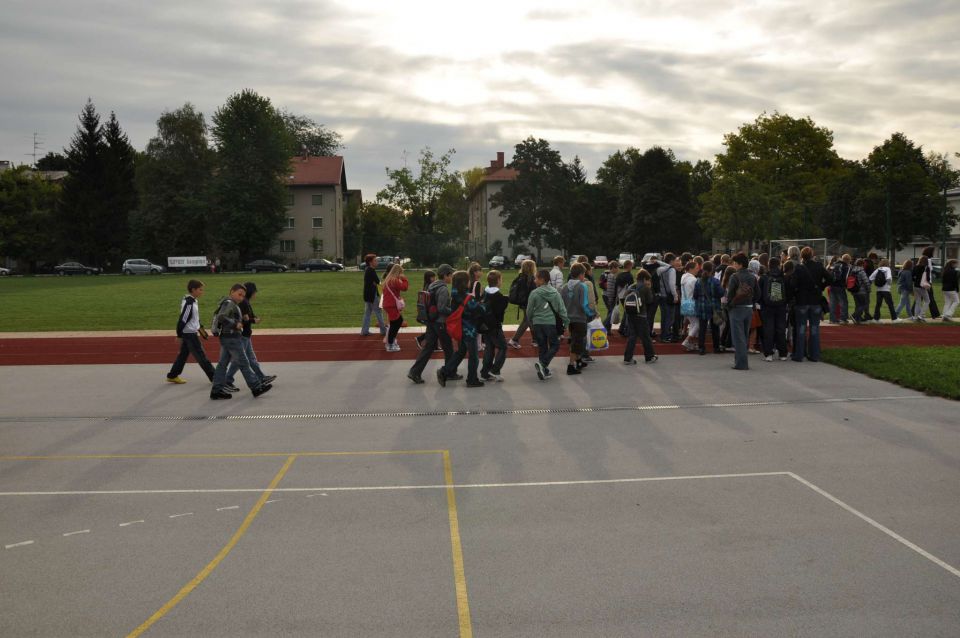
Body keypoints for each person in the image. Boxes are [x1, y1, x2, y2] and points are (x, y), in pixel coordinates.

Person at [210, 284, 272, 399]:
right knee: (243, 363)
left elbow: (224, 317)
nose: (241, 298)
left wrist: (240, 319)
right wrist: (235, 324)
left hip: (227, 337)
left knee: (222, 364)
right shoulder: (229, 303)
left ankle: (216, 390)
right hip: (232, 338)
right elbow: (222, 317)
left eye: (243, 296)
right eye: (239, 294)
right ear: (231, 291)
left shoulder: (230, 303)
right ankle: (256, 387)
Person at [224, 282, 276, 391]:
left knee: (250, 358)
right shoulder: (244, 303)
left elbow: (247, 317)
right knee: (239, 360)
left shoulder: (245, 302)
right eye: (255, 292)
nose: (256, 294)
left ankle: (261, 377)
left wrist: (252, 318)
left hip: (246, 334)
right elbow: (243, 319)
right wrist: (253, 320)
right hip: (242, 335)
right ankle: (227, 380)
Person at [408, 264, 455, 384]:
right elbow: (442, 308)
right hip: (440, 322)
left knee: (428, 348)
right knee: (448, 348)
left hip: (431, 321)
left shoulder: (432, 286)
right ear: (445, 275)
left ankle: (415, 372)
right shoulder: (443, 289)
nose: (452, 277)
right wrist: (453, 311)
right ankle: (449, 373)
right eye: (450, 275)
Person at [438, 270, 485, 388]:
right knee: (473, 355)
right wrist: (483, 301)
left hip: (460, 329)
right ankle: (472, 379)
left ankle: (445, 371)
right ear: (465, 283)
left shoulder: (454, 296)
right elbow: (480, 310)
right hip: (469, 330)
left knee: (461, 352)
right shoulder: (468, 298)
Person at [166, 279, 216, 384]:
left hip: (189, 333)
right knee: (202, 357)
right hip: (189, 335)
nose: (202, 292)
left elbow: (194, 319)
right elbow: (183, 319)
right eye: (200, 290)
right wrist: (179, 335)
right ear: (193, 290)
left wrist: (201, 330)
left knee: (183, 355)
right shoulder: (189, 303)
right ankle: (215, 378)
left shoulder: (193, 300)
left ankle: (172, 375)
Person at [527, 268, 569, 380]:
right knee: (555, 345)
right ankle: (543, 366)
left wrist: (530, 320)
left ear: (541, 280)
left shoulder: (534, 293)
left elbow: (529, 310)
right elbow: (562, 309)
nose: (534, 280)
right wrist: (566, 323)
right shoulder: (555, 293)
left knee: (542, 346)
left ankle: (543, 368)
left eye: (536, 278)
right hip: (550, 323)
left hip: (537, 323)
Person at [791, 246, 832, 362]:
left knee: (801, 329)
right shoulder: (819, 266)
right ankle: (814, 355)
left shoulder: (799, 268)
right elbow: (830, 278)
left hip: (802, 301)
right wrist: (821, 287)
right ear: (812, 255)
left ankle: (799, 355)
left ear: (802, 256)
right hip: (815, 301)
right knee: (814, 329)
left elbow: (793, 284)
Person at [725, 253, 756, 371]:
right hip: (748, 308)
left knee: (738, 337)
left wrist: (729, 305)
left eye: (734, 263)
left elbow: (730, 294)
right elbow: (757, 293)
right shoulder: (752, 276)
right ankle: (741, 361)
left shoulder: (734, 276)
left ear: (740, 264)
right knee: (744, 335)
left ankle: (741, 363)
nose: (733, 265)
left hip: (736, 309)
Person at [561, 263, 592, 375]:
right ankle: (571, 366)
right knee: (577, 343)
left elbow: (562, 304)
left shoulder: (564, 287)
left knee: (574, 340)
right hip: (579, 318)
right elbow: (583, 304)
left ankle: (579, 361)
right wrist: (590, 313)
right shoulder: (582, 286)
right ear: (581, 275)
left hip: (569, 319)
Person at [622, 269, 657, 364]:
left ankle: (627, 358)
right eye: (648, 280)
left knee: (632, 336)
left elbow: (623, 298)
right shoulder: (645, 288)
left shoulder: (631, 286)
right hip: (641, 315)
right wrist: (649, 288)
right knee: (645, 336)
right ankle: (649, 357)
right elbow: (650, 300)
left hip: (630, 314)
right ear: (645, 279)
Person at [480, 270, 509, 381]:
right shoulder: (498, 296)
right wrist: (505, 300)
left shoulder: (485, 293)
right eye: (501, 279)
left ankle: (485, 372)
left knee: (489, 348)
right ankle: (495, 370)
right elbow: (499, 312)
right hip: (495, 326)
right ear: (498, 281)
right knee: (503, 347)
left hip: (485, 326)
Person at [759, 257, 788, 361]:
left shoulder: (764, 277)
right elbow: (788, 292)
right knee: (780, 329)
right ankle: (783, 353)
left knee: (768, 329)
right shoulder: (783, 277)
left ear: (768, 265)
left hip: (767, 307)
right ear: (779, 264)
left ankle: (769, 354)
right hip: (781, 306)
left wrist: (762, 303)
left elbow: (759, 293)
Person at [693, 262, 723, 355]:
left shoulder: (698, 281)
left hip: (702, 307)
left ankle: (701, 348)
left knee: (702, 328)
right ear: (712, 270)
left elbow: (695, 295)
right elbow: (721, 293)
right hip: (714, 307)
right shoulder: (715, 281)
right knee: (715, 328)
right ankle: (716, 347)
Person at [508, 259, 537, 348]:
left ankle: (535, 340)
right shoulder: (530, 279)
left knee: (530, 320)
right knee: (527, 321)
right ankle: (514, 339)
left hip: (523, 303)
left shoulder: (520, 277)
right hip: (529, 303)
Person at [381, 264, 409, 352]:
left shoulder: (388, 280)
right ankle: (390, 344)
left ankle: (391, 341)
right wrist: (404, 279)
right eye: (401, 272)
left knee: (398, 321)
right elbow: (405, 288)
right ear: (398, 272)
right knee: (394, 324)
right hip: (391, 305)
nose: (402, 274)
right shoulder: (394, 280)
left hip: (388, 304)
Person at [360, 254, 386, 337]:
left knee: (367, 313)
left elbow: (376, 283)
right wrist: (377, 283)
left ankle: (364, 331)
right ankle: (384, 331)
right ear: (370, 262)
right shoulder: (371, 270)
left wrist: (375, 283)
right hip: (372, 295)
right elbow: (378, 282)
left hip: (367, 295)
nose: (377, 262)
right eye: (375, 260)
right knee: (378, 312)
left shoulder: (367, 269)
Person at [657, 254, 680, 342]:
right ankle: (666, 336)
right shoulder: (671, 270)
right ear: (671, 261)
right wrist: (675, 296)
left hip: (661, 295)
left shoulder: (660, 269)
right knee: (670, 318)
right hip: (669, 296)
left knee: (664, 317)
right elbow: (671, 284)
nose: (676, 262)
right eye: (675, 260)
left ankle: (663, 334)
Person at [679, 261, 699, 351]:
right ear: (691, 269)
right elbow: (696, 293)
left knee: (693, 324)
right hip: (692, 303)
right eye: (696, 268)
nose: (698, 269)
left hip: (684, 303)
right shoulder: (693, 280)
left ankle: (690, 344)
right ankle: (688, 340)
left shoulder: (684, 277)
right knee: (697, 324)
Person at [416, 270, 438, 350]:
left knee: (432, 329)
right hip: (430, 311)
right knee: (434, 329)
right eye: (432, 277)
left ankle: (433, 345)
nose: (434, 278)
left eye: (434, 276)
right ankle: (421, 339)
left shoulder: (427, 285)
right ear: (428, 278)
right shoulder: (430, 286)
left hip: (428, 310)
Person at [614, 259, 636, 337]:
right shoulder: (629, 275)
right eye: (631, 266)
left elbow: (616, 287)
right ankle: (626, 330)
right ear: (629, 266)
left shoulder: (619, 275)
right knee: (629, 314)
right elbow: (632, 287)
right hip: (627, 296)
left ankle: (622, 328)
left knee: (626, 312)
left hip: (620, 296)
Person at [828, 255, 851, 324]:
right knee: (843, 302)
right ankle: (843, 319)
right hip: (840, 286)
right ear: (847, 260)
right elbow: (846, 277)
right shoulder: (845, 266)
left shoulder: (834, 265)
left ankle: (832, 319)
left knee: (833, 303)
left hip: (832, 286)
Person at [921, 246, 941, 318]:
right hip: (927, 281)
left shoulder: (923, 259)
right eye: (933, 251)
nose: (934, 253)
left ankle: (914, 312)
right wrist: (928, 282)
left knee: (921, 298)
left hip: (923, 281)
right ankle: (935, 314)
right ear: (930, 252)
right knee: (930, 298)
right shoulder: (928, 260)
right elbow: (928, 272)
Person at [601, 260, 620, 332]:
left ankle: (607, 329)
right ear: (613, 268)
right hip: (609, 296)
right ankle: (603, 325)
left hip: (605, 294)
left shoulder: (605, 273)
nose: (618, 269)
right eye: (617, 267)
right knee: (611, 312)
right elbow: (611, 289)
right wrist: (611, 299)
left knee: (610, 312)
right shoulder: (612, 276)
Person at [850, 259, 871, 324]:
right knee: (864, 304)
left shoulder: (852, 271)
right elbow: (866, 281)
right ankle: (854, 315)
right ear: (862, 264)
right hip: (861, 291)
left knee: (858, 305)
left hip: (854, 290)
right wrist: (869, 289)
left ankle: (857, 319)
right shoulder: (861, 271)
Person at [913, 256, 932, 321]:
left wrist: (916, 280)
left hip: (915, 286)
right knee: (927, 300)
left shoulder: (915, 267)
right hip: (922, 286)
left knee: (918, 302)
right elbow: (928, 278)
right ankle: (921, 315)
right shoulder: (926, 268)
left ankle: (916, 316)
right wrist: (928, 285)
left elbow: (912, 276)